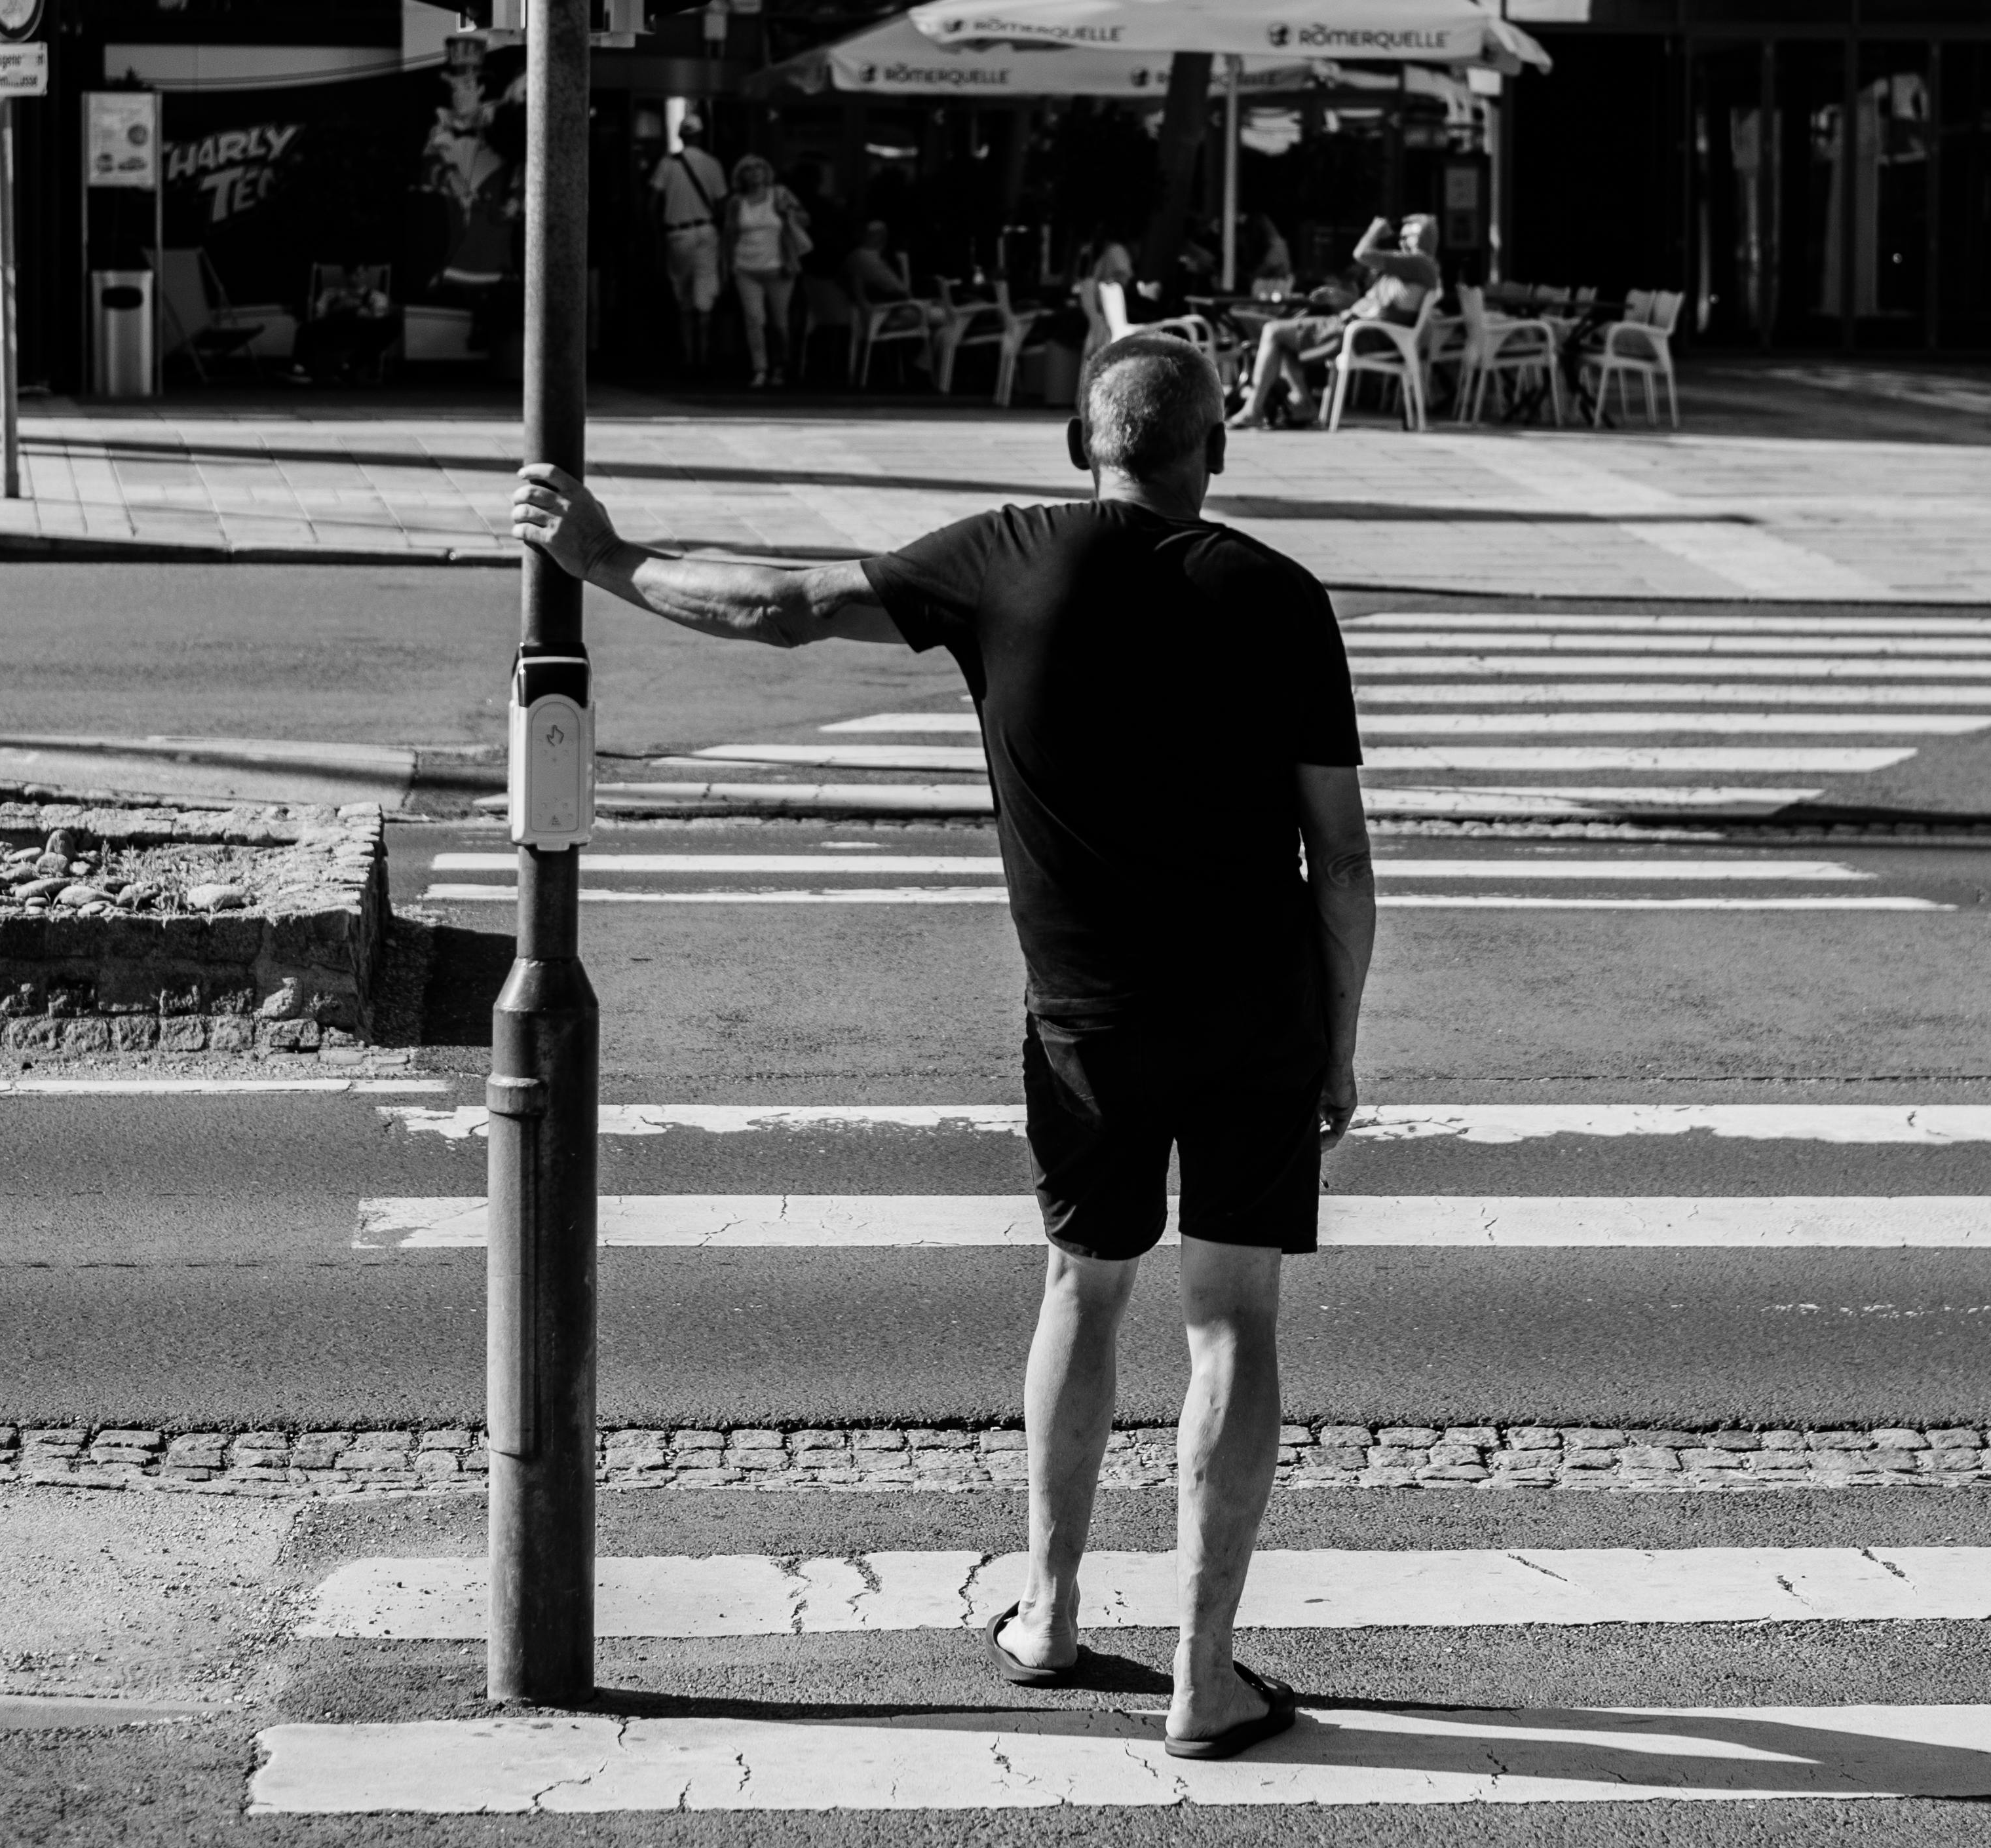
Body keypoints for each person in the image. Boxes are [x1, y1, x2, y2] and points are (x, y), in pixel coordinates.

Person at [512, 329, 1376, 1757]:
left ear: (1077, 446)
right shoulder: (1278, 597)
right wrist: (1336, 1037)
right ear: (1213, 451)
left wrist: (610, 563)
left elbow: (784, 605)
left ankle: (1043, 1613)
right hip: (1254, 1014)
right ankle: (1201, 1679)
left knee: (1081, 1292)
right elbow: (1337, 860)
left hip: (1087, 1024)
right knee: (1231, 1321)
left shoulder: (1005, 560)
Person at [1240, 212, 1438, 429]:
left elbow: (1362, 254)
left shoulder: (1420, 263)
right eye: (1401, 237)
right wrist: (1342, 298)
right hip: (1359, 328)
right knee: (1282, 339)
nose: (1402, 241)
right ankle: (1298, 403)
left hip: (1362, 334)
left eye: (1409, 236)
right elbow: (1375, 306)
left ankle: (1254, 408)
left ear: (1425, 238)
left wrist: (1375, 230)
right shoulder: (1409, 269)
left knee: (1273, 331)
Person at [650, 112, 729, 377]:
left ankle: (689, 355)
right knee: (704, 294)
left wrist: (652, 232)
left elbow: (652, 201)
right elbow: (722, 203)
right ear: (700, 135)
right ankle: (702, 355)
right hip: (705, 230)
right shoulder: (712, 164)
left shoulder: (668, 164)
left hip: (678, 233)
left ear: (682, 136)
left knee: (683, 295)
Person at [727, 151, 809, 387]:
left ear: (767, 173)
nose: (755, 174)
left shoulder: (780, 194)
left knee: (780, 322)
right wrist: (728, 265)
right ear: (741, 175)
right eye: (749, 170)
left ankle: (780, 368)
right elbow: (730, 236)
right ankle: (760, 368)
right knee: (754, 319)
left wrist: (788, 213)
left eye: (759, 169)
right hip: (745, 266)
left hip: (778, 266)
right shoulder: (736, 202)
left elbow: (806, 219)